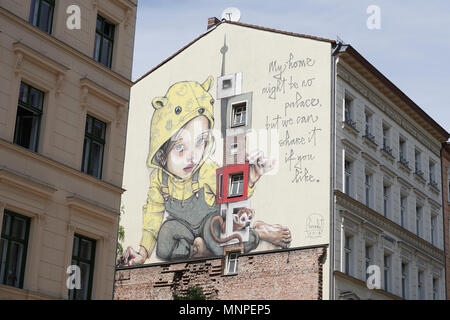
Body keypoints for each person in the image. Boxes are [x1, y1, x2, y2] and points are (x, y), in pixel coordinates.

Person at [121, 76, 291, 266]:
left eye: (200, 142)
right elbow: (153, 213)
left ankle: (258, 232)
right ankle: (197, 248)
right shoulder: (159, 180)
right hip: (182, 227)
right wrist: (143, 254)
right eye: (180, 148)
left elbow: (229, 190)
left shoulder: (205, 170)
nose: (192, 156)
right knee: (164, 246)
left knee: (223, 244)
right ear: (161, 153)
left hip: (211, 221)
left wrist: (250, 178)